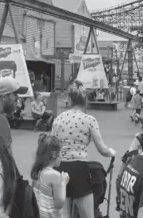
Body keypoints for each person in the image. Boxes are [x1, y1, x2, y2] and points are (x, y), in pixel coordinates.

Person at [52, 84, 116, 218]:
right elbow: (102, 149)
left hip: (59, 168)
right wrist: (111, 152)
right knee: (87, 214)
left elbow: (52, 144)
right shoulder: (89, 120)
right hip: (79, 168)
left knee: (63, 213)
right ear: (85, 101)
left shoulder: (58, 119)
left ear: (70, 99)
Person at [31, 134, 70, 218]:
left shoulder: (38, 171)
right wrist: (63, 183)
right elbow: (59, 203)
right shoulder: (54, 175)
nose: (62, 156)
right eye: (61, 153)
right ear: (54, 154)